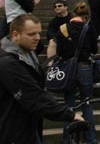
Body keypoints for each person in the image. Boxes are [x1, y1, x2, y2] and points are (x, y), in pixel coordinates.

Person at [0, 14, 82, 143]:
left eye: (38, 33)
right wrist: (69, 115)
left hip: (27, 127)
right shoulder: (8, 63)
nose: (37, 38)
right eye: (31, 34)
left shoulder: (27, 55)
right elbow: (33, 95)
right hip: (12, 132)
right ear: (15, 35)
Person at [56, 2, 99, 144]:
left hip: (68, 69)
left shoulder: (63, 28)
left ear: (73, 13)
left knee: (68, 105)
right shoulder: (89, 28)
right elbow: (95, 50)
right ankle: (91, 138)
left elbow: (59, 52)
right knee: (86, 103)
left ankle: (66, 139)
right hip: (84, 67)